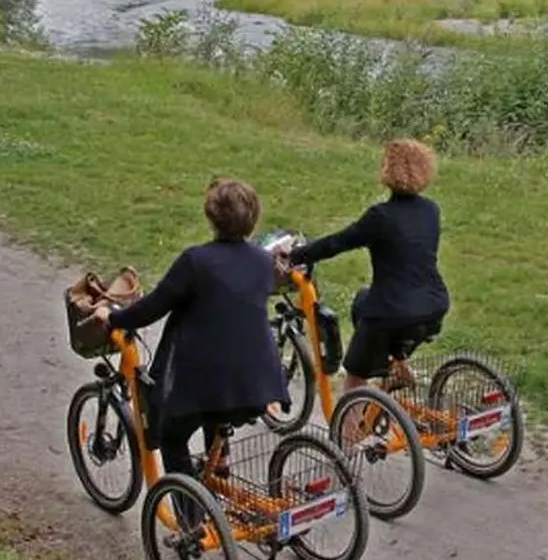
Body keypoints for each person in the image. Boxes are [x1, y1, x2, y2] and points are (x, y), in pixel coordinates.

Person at [92, 177, 290, 486]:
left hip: (207, 382)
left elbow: (151, 308)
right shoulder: (265, 262)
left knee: (172, 436)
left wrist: (112, 318)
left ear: (211, 217)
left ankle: (191, 524)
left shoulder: (195, 262)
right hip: (258, 381)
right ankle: (219, 462)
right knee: (219, 403)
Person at [284, 138, 450, 394]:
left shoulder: (380, 217)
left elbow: (337, 242)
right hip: (434, 304)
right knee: (363, 300)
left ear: (387, 171)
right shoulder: (431, 210)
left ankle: (346, 432)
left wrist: (296, 255)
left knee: (355, 378)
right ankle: (397, 363)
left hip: (393, 310)